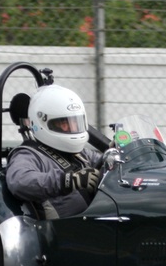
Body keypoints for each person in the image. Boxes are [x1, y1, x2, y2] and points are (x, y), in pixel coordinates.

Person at [6, 84, 104, 219]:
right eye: (64, 123)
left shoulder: (81, 154)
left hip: (94, 221)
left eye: (75, 123)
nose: (72, 128)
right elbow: (20, 182)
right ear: (42, 122)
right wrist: (69, 180)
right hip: (66, 231)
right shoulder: (28, 154)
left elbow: (103, 162)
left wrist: (117, 153)